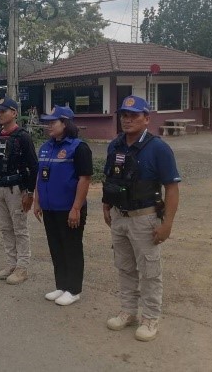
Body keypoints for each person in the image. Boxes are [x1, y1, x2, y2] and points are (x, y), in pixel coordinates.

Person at [102, 95, 180, 342]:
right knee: (124, 267)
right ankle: (128, 311)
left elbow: (172, 188)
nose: (127, 120)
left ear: (147, 119)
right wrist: (106, 205)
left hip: (145, 218)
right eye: (124, 115)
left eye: (134, 115)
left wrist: (167, 224)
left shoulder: (158, 148)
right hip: (120, 216)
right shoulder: (115, 145)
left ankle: (150, 317)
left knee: (149, 271)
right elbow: (111, 178)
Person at [33, 105, 93, 306]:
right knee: (56, 247)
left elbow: (84, 179)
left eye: (53, 122)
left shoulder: (78, 148)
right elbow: (40, 176)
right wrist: (37, 200)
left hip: (69, 209)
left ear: (65, 123)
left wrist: (76, 208)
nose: (49, 126)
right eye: (48, 122)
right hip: (49, 208)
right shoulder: (45, 147)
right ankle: (61, 285)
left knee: (71, 247)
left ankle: (73, 290)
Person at [0, 96, 39, 284]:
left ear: (14, 113)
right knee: (5, 227)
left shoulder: (23, 137)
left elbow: (34, 167)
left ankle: (22, 267)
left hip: (16, 189)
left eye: (3, 111)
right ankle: (11, 264)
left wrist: (30, 192)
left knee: (19, 229)